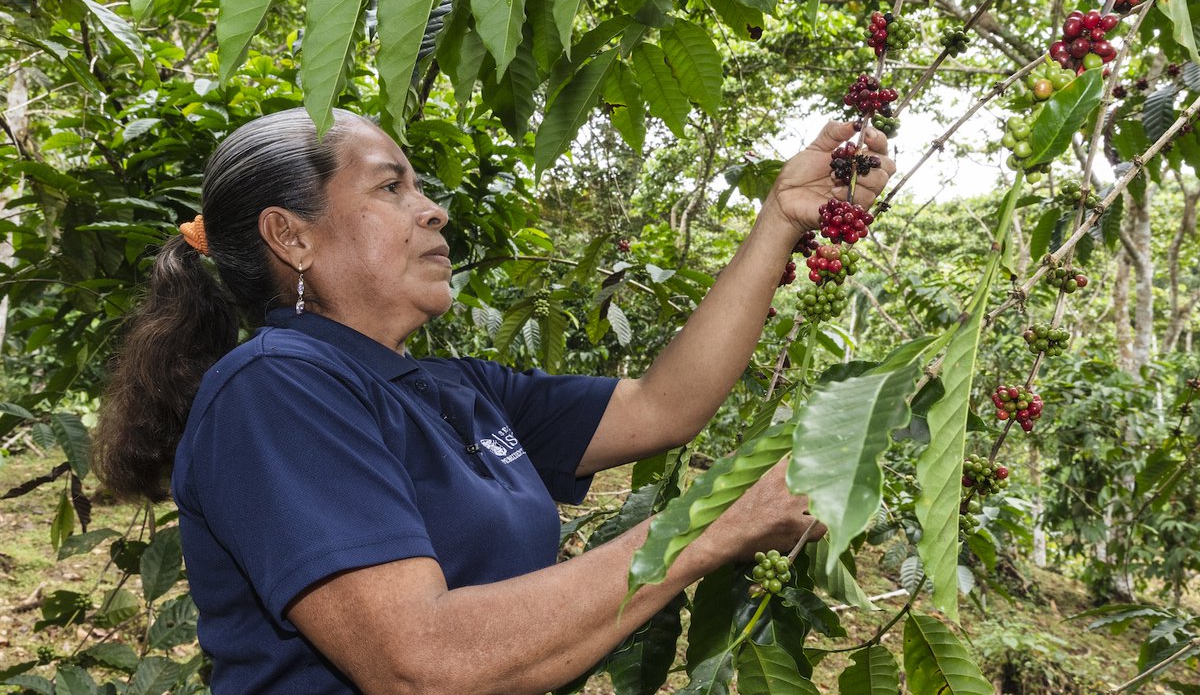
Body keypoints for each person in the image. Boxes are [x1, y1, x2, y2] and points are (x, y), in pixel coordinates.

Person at [91, 107, 894, 695]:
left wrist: (781, 219)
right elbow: (419, 661)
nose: (432, 208)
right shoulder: (273, 391)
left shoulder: (451, 388)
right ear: (291, 236)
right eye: (391, 187)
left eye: (421, 188)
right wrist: (710, 528)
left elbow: (662, 407)